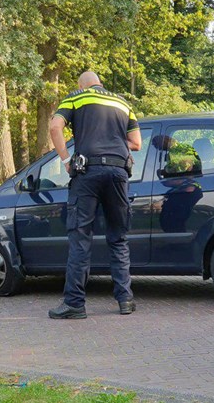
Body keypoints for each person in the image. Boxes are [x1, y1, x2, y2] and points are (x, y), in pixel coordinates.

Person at [48, 71, 142, 319]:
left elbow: (54, 127)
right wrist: (112, 139)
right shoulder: (122, 102)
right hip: (119, 172)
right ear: (100, 83)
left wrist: (67, 160)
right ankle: (126, 300)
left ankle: (75, 304)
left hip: (87, 172)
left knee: (80, 239)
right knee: (118, 238)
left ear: (82, 85)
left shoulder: (76, 98)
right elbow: (136, 142)